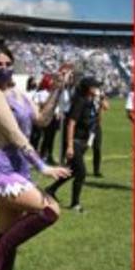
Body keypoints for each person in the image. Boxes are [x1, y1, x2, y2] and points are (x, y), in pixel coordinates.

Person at [0, 44, 72, 270]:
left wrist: (57, 89)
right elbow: (16, 135)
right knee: (51, 210)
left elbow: (40, 120)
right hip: (2, 169)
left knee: (8, 234)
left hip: (18, 168)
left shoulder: (17, 91)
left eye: (7, 63)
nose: (4, 68)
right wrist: (44, 167)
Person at [47, 77, 102, 212]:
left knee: (72, 171)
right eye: (94, 86)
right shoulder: (80, 102)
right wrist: (70, 146)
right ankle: (75, 204)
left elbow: (95, 119)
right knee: (81, 173)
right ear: (88, 88)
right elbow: (71, 123)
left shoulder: (90, 102)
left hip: (83, 141)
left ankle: (51, 189)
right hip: (75, 141)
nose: (97, 89)